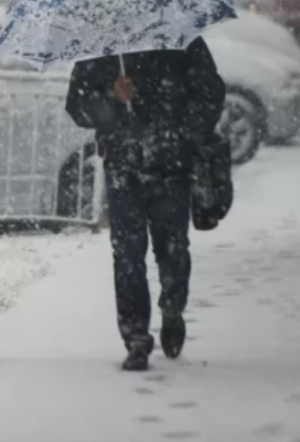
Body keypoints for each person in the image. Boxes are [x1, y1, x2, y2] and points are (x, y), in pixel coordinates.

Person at [65, 36, 226, 371]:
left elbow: (210, 92)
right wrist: (112, 97)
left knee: (173, 247)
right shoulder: (102, 45)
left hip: (172, 165)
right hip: (123, 166)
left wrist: (179, 128)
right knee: (127, 254)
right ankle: (136, 337)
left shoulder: (180, 40)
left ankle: (172, 307)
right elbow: (77, 106)